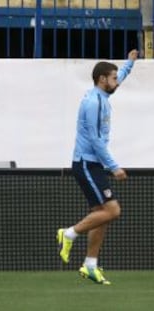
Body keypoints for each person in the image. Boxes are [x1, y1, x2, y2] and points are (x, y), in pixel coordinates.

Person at [57, 49, 139, 285]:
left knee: (100, 215)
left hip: (93, 164)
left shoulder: (103, 96)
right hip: (85, 163)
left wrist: (130, 63)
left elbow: (119, 77)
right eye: (113, 78)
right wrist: (114, 166)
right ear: (102, 79)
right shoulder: (93, 102)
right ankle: (69, 233)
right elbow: (94, 140)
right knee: (112, 210)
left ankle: (90, 265)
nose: (117, 82)